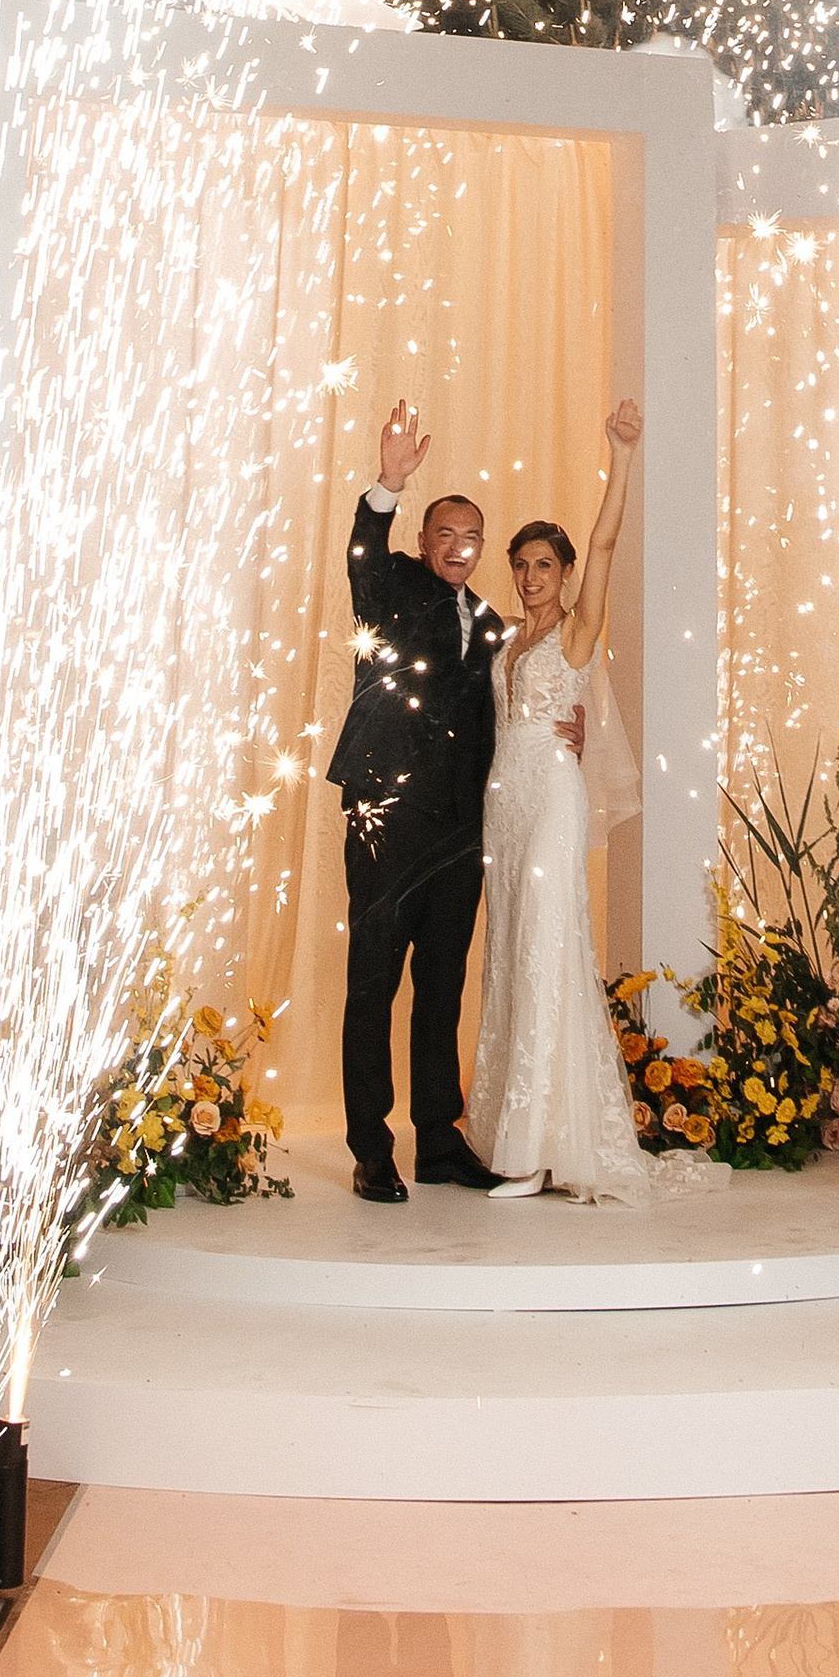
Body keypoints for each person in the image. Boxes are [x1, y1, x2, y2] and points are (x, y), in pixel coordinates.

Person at [464, 402, 659, 1203]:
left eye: (544, 564)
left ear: (567, 572)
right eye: (521, 565)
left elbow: (606, 542)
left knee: (548, 951)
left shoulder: (577, 632)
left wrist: (622, 456)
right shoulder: (504, 637)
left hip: (552, 797)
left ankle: (543, 1151)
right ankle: (517, 1136)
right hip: (503, 807)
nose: (530, 577)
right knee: (512, 954)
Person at [329, 400, 516, 1202]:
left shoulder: (493, 624)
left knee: (443, 989)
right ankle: (371, 1148)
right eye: (445, 533)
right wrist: (388, 483)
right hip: (388, 817)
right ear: (423, 541)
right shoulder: (393, 587)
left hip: (459, 832)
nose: (458, 545)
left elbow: (506, 721)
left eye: (471, 535)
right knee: (373, 982)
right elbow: (362, 558)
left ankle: (439, 1141)